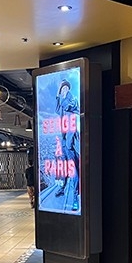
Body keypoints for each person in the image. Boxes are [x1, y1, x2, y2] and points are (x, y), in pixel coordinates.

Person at [55, 79, 80, 211]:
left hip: (71, 142)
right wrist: (58, 96)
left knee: (74, 171)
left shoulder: (72, 99)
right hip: (64, 141)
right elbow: (57, 110)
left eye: (65, 88)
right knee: (64, 167)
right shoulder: (61, 101)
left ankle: (75, 197)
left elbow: (69, 106)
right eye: (62, 88)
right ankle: (62, 187)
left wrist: (62, 96)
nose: (64, 90)